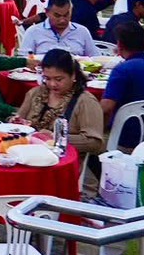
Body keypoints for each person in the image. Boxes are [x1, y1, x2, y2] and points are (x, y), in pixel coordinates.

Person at [14, 49, 105, 183]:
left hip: (63, 165)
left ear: (73, 75)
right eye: (47, 78)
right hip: (29, 158)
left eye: (59, 79)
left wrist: (56, 138)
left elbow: (94, 143)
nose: (52, 84)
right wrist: (16, 123)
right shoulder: (35, 93)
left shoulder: (85, 101)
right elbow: (20, 121)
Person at [21, 0, 97, 57]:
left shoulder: (82, 31)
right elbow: (24, 59)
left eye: (66, 15)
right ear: (47, 12)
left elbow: (95, 57)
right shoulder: (33, 32)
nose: (62, 20)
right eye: (57, 16)